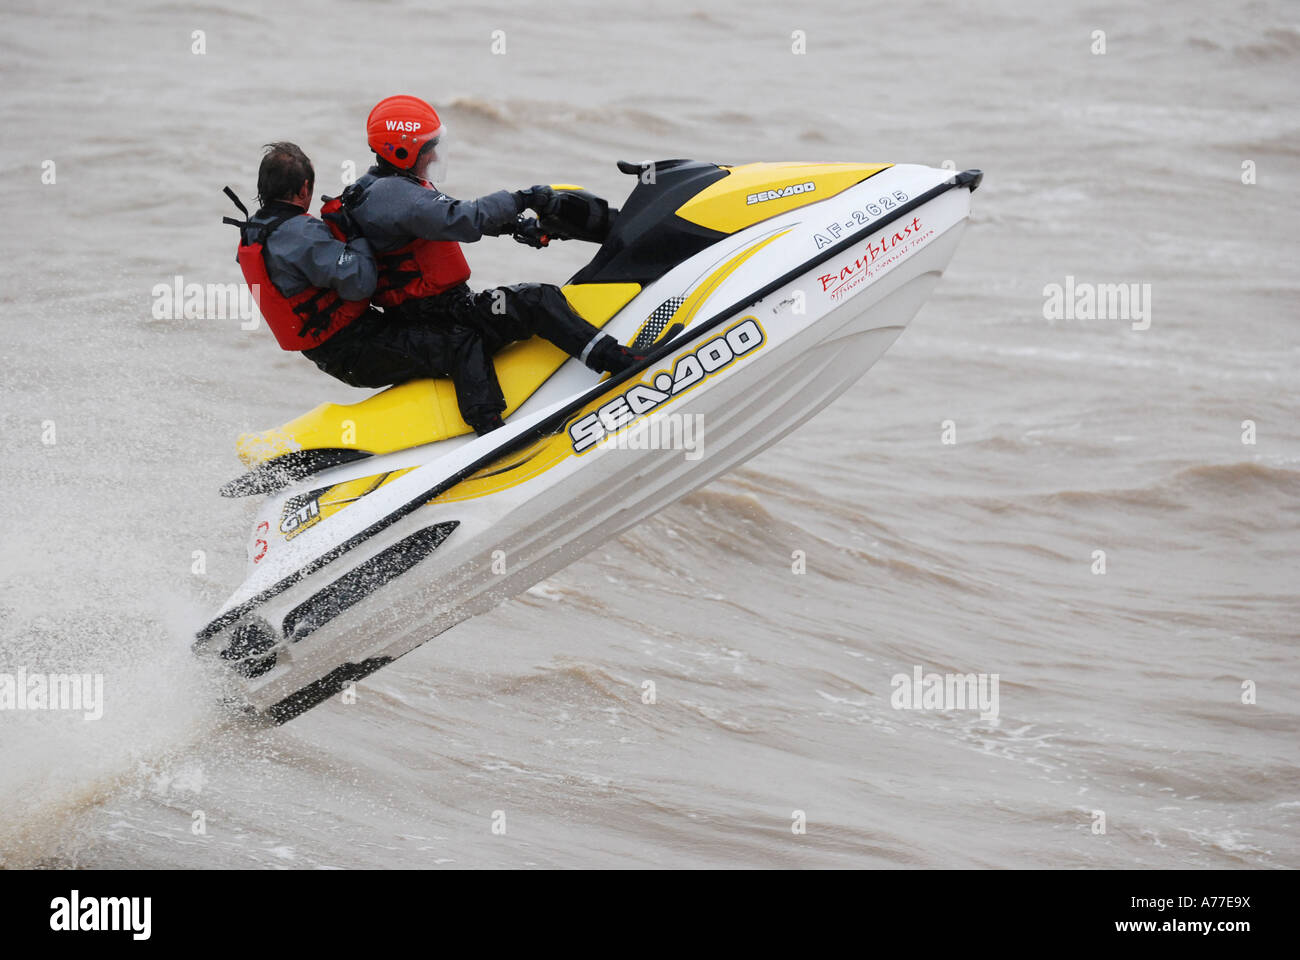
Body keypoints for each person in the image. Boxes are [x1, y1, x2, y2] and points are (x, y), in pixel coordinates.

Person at [304, 95, 642, 436]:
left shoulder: (384, 190)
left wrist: (516, 225)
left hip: (430, 312)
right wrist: (525, 198)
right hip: (436, 315)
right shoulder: (391, 196)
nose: (435, 155)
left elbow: (445, 216)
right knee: (536, 301)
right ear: (402, 151)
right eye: (428, 148)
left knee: (516, 307)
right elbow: (464, 217)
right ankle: (618, 366)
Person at [223, 142, 379, 352]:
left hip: (314, 342)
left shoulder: (253, 228)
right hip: (345, 339)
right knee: (435, 346)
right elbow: (362, 282)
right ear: (305, 188)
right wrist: (354, 233)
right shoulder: (303, 234)